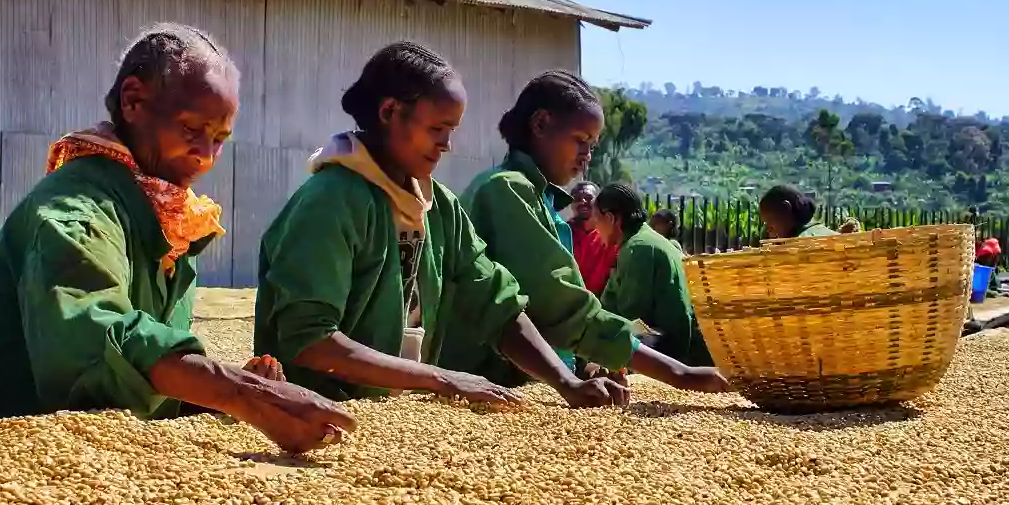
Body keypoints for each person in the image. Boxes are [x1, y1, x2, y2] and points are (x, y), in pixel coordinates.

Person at [0, 24, 354, 454]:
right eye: (190, 128)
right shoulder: (75, 210)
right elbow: (97, 337)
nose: (205, 154)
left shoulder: (173, 222)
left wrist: (215, 390)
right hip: (1, 446)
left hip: (103, 450)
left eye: (219, 138)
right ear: (133, 100)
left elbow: (138, 383)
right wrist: (243, 394)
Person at [254, 43, 626, 409]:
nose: (446, 144)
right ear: (389, 111)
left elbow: (497, 304)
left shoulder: (440, 207)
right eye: (437, 128)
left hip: (400, 409)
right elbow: (308, 341)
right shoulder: (331, 200)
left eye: (452, 130)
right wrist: (439, 378)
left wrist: (568, 383)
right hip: (323, 409)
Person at [451, 69, 729, 394]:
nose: (586, 158)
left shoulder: (531, 196)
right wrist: (679, 374)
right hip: (488, 383)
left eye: (593, 146)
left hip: (513, 382)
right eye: (580, 141)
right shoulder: (506, 190)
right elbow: (560, 306)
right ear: (540, 124)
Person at [592, 184, 713, 366]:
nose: (596, 228)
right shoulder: (646, 240)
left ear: (610, 218)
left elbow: (631, 319)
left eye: (596, 221)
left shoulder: (638, 249)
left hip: (670, 352)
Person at [568, 181, 619, 296]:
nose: (582, 202)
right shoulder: (563, 232)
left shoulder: (610, 235)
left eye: (588, 197)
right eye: (577, 198)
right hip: (570, 301)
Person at [759, 185, 836, 239]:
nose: (768, 230)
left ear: (786, 211)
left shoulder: (794, 250)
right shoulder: (836, 237)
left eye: (770, 224)